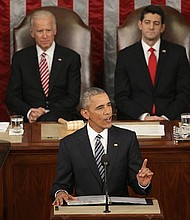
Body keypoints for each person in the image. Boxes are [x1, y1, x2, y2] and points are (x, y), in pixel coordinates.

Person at [50, 87, 153, 205]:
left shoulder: (127, 139)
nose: (108, 112)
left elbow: (136, 183)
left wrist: (142, 183)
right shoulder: (69, 144)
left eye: (109, 105)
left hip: (119, 211)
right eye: (100, 108)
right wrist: (61, 193)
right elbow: (61, 184)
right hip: (86, 212)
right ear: (85, 113)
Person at [114, 5, 190, 121]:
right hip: (136, 119)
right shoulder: (125, 56)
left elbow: (184, 93)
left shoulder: (177, 53)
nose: (151, 27)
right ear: (140, 25)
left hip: (171, 118)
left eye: (156, 23)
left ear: (162, 27)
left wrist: (165, 117)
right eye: (147, 22)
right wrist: (144, 117)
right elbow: (121, 96)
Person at [6, 10, 81, 122]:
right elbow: (12, 96)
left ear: (55, 31)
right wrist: (29, 112)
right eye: (40, 31)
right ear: (32, 33)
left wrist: (46, 112)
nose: (45, 36)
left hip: (60, 116)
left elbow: (73, 97)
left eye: (48, 30)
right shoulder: (20, 58)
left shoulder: (71, 58)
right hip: (29, 118)